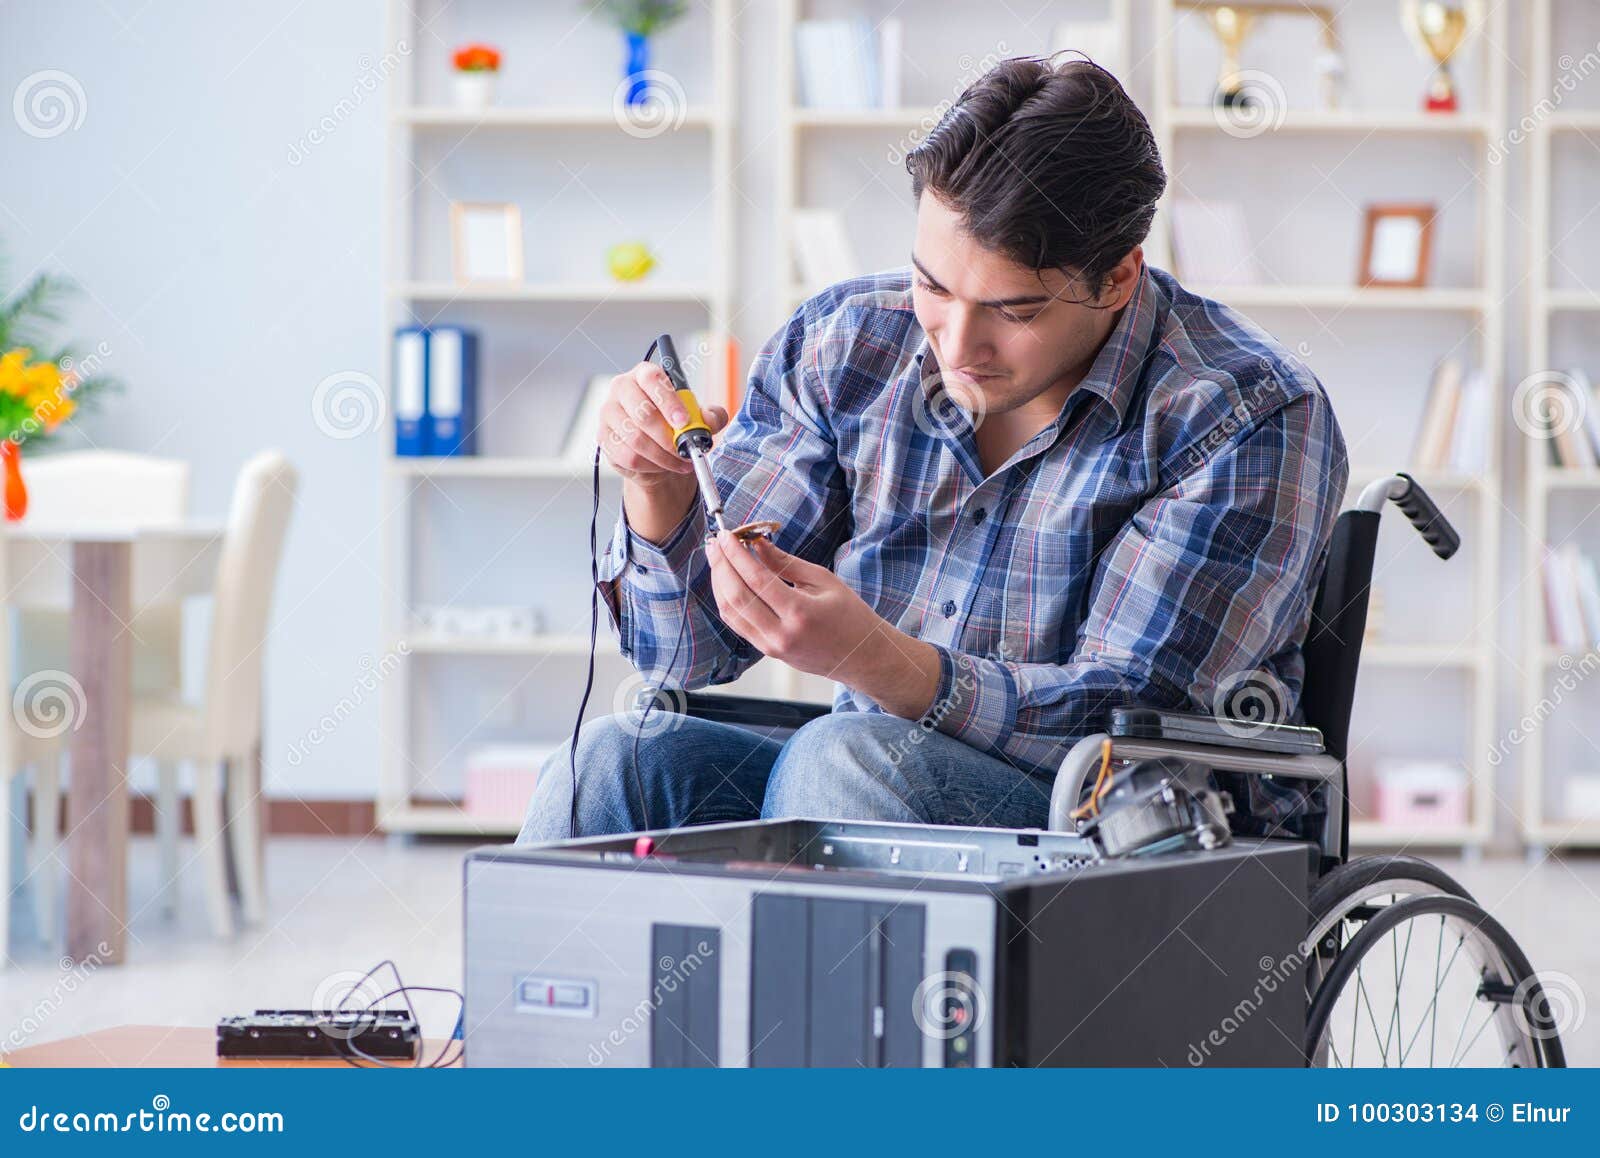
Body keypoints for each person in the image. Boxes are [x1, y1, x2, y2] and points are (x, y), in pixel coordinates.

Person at [517, 55, 1347, 844]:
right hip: (865, 777)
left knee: (842, 760)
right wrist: (659, 494)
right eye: (933, 285)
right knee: (610, 766)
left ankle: (798, 991)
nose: (957, 345)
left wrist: (880, 663)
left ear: (1120, 278)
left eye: (1014, 311)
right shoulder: (845, 344)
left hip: (1125, 833)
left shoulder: (1244, 414)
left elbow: (1134, 732)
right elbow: (688, 652)